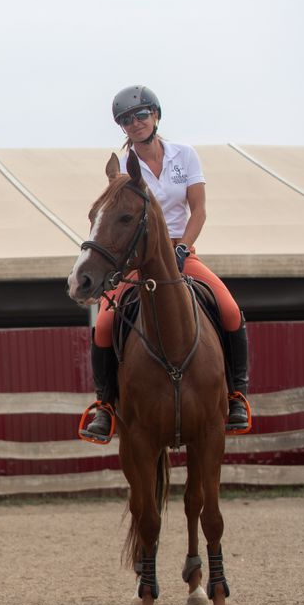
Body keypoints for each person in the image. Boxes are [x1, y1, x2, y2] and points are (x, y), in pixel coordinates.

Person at [80, 85, 251, 442]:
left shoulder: (184, 156)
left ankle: (236, 397)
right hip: (139, 260)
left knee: (231, 311)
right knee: (105, 325)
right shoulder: (128, 171)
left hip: (181, 252)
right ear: (122, 128)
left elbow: (199, 210)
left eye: (141, 115)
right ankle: (105, 406)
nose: (135, 123)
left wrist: (183, 248)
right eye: (127, 120)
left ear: (156, 116)